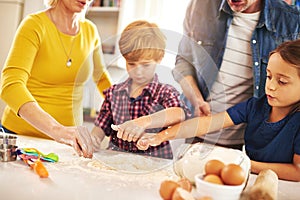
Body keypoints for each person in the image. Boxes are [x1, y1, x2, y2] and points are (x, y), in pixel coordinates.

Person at [137, 39, 300, 181]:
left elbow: (297, 172)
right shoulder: (255, 107)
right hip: (250, 180)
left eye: (282, 82)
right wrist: (160, 136)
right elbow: (207, 123)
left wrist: (241, 162)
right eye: (269, 76)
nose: (270, 86)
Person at [173, 0, 300, 150]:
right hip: (193, 131)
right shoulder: (200, 5)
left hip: (245, 145)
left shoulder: (291, 21)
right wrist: (196, 98)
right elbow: (183, 60)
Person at [0, 0, 112, 158]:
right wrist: (57, 130)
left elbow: (101, 79)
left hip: (68, 144)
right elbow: (11, 86)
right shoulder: (34, 25)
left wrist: (127, 109)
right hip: (22, 138)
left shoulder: (90, 30)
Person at [90, 20, 191, 159]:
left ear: (159, 58)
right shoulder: (114, 93)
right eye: (131, 64)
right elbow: (100, 128)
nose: (138, 72)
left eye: (145, 65)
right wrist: (93, 141)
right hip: (117, 163)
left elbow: (179, 113)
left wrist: (143, 122)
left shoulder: (165, 92)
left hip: (154, 164)